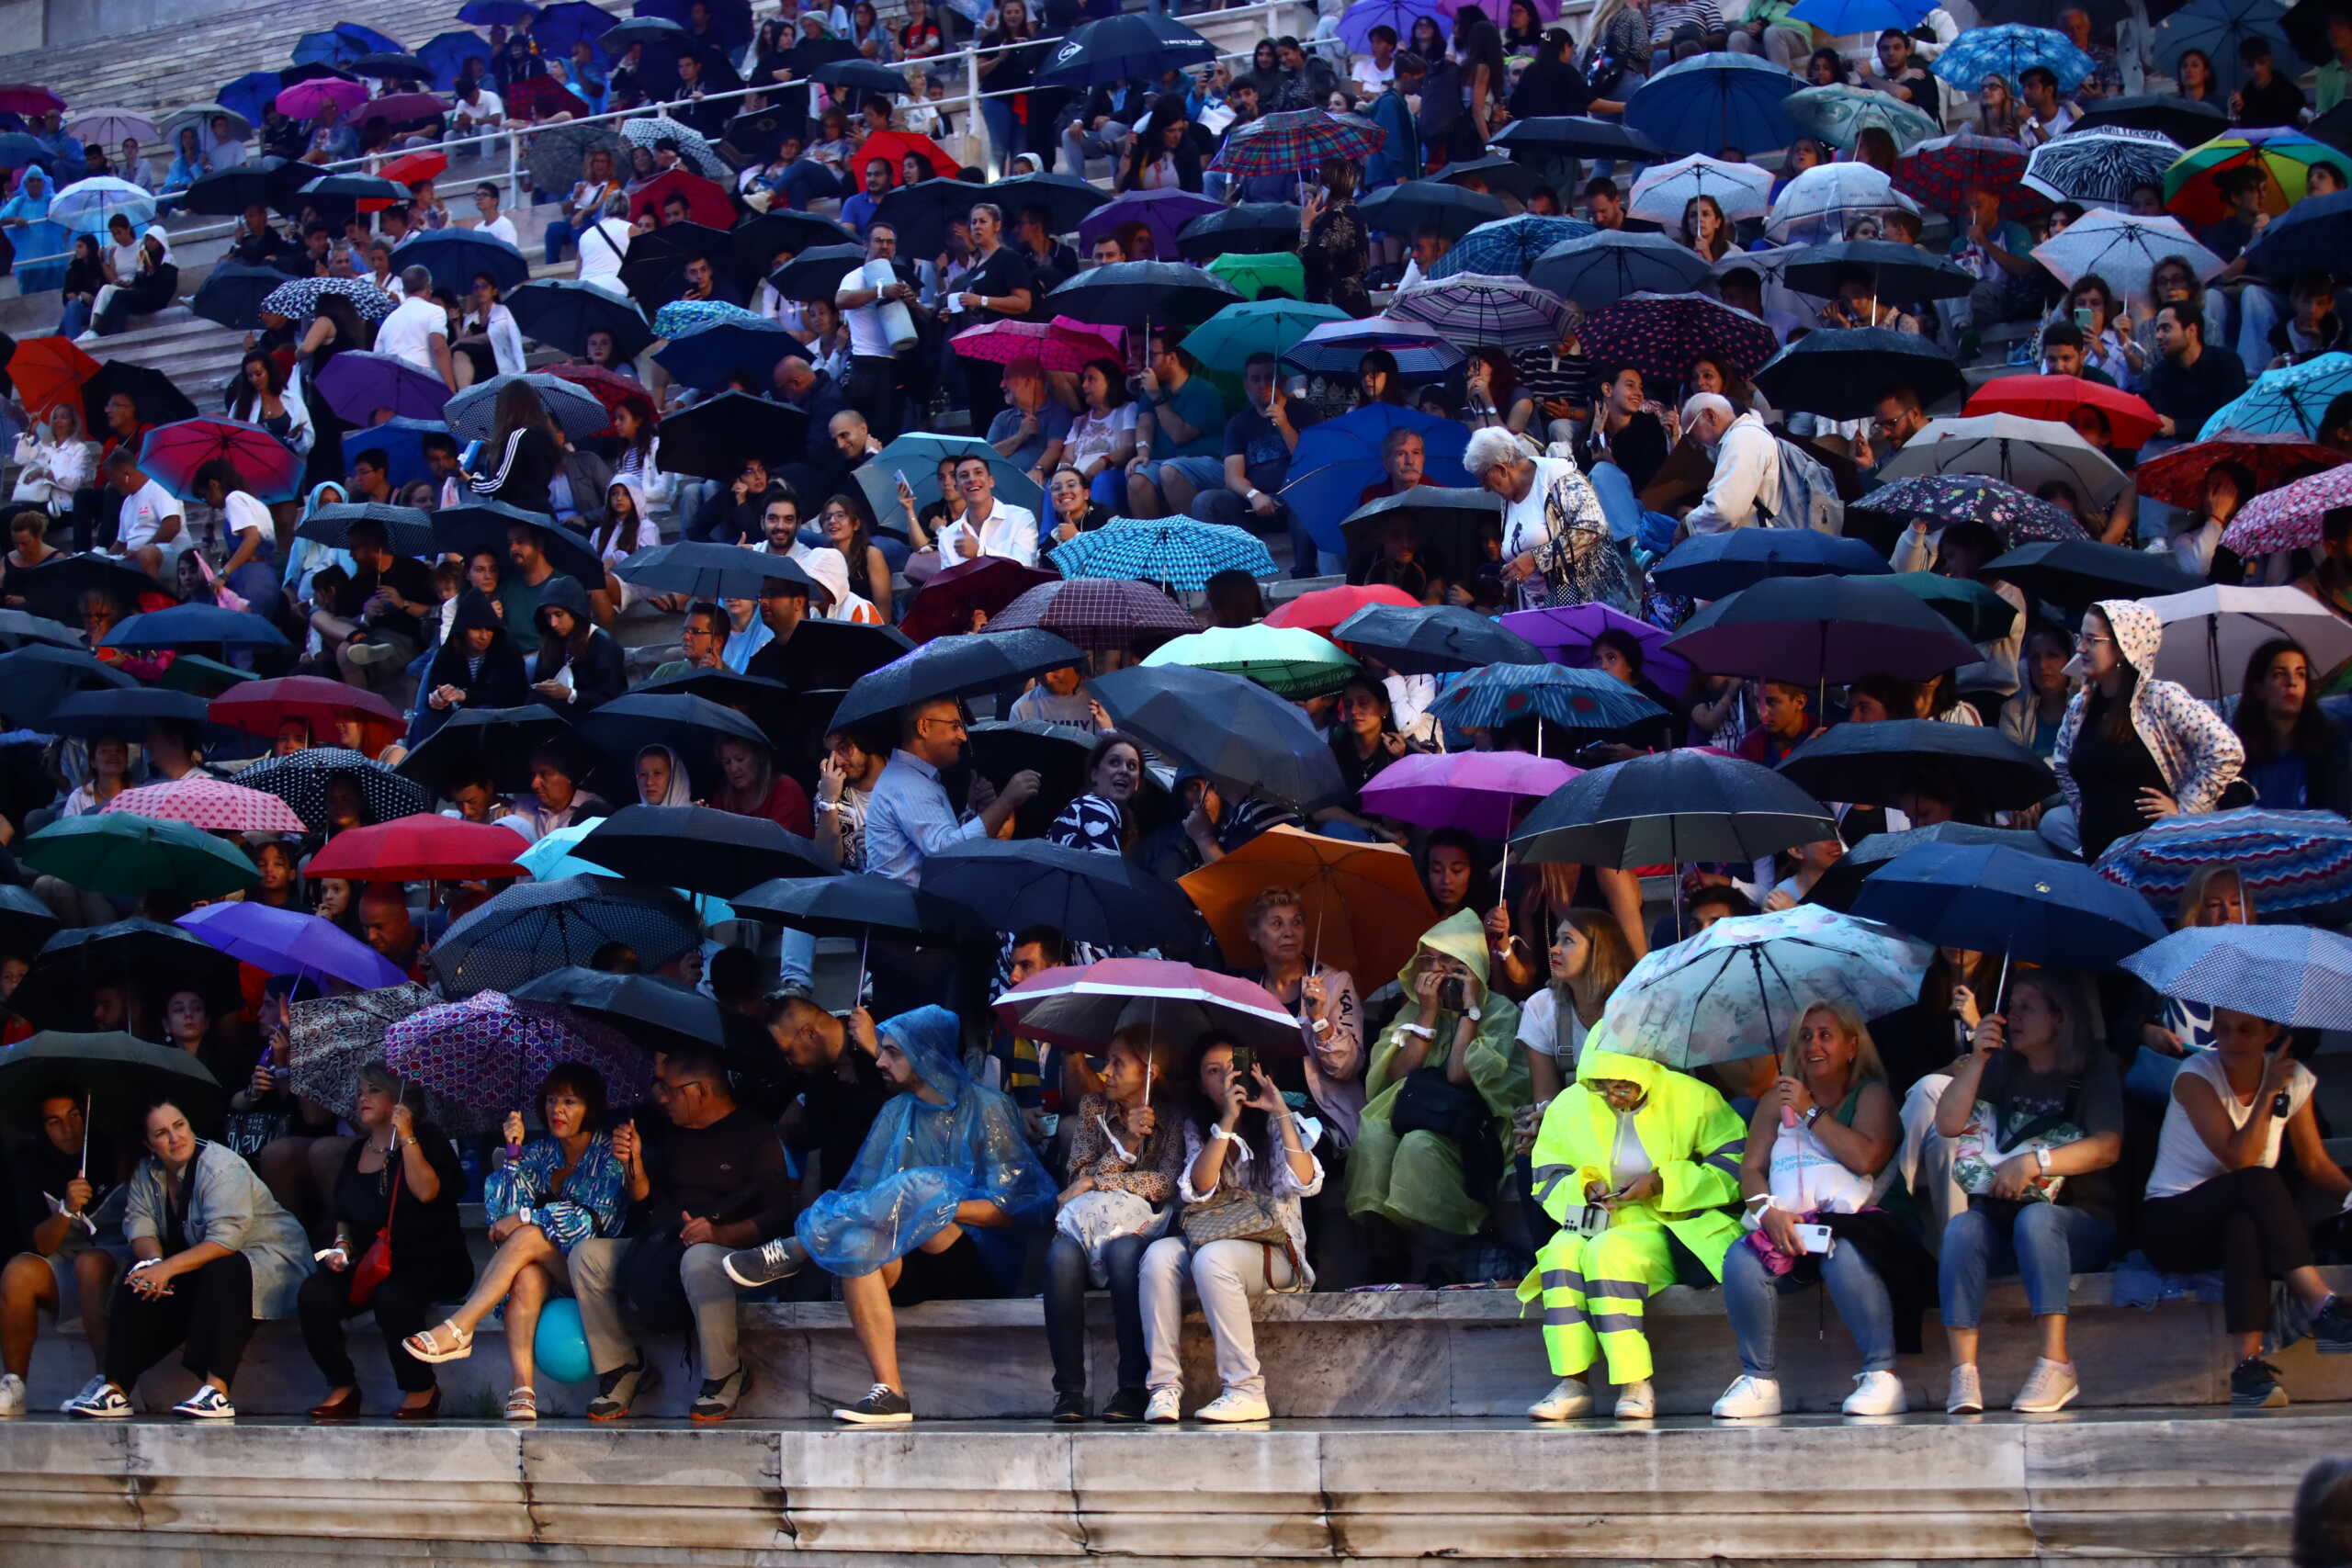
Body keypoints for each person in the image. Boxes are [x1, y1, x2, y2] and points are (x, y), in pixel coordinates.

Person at [721, 1007, 1055, 1425]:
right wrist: (915, 1210)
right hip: (904, 1257)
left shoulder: (989, 1107)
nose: (878, 1060)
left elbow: (1027, 1204)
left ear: (927, 1053)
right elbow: (860, 1194)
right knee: (855, 1241)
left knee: (921, 1187)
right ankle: (890, 1392)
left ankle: (797, 1248)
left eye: (893, 1052)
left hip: (974, 1260)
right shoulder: (896, 1112)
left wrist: (938, 1209)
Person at [2136, 1003, 2352, 1407]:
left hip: (2235, 1216)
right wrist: (2269, 1092)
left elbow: (2315, 1163)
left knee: (2245, 1223)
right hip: (2172, 1221)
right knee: (2257, 1179)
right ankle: (2320, 1303)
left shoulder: (2294, 1078)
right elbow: (2240, 1158)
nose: (2231, 1041)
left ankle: (2248, 1370)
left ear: (2272, 1034)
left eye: (2245, 1031)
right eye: (2223, 1030)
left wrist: (2351, 1196)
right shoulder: (2195, 1076)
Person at [1712, 1000, 1918, 1418]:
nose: (1813, 1045)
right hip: (1789, 1224)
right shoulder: (1774, 1100)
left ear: (1851, 1046)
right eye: (1804, 1036)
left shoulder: (1871, 1093)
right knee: (1740, 1259)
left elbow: (1865, 1158)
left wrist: (1808, 1109)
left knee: (1842, 1257)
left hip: (1858, 1226)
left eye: (1826, 1035)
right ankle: (1759, 1381)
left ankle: (1882, 1374)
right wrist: (1768, 1211)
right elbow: (1750, 1170)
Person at [1933, 970, 2123, 1416]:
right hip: (2000, 1218)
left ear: (2059, 1017)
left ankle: (2056, 1362)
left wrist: (2036, 1164)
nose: (2012, 1017)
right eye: (2011, 1006)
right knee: (1961, 1229)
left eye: (2026, 1008)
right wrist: (1977, 1060)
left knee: (2036, 1220)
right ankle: (1964, 1373)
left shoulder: (2094, 1065)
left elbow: (2108, 1147)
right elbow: (1946, 1124)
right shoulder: (2003, 1065)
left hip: (2079, 1221)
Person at [1521, 1046, 1746, 1421]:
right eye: (1603, 1085)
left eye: (1623, 1085)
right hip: (1596, 1216)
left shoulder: (1693, 1095)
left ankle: (1634, 1384)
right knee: (1559, 1253)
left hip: (1671, 1221)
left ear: (1647, 1072)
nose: (1612, 1094)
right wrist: (1584, 1189)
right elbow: (1547, 1173)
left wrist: (1663, 1182)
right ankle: (1572, 1383)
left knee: (1607, 1253)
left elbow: (1735, 1164)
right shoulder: (1570, 1102)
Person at [570, 1046, 790, 1423]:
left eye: (670, 1089)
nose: (663, 1097)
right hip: (667, 1243)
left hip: (732, 1252)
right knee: (586, 1256)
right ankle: (621, 1366)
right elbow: (646, 1207)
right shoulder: (667, 1132)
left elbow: (779, 1215)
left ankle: (723, 1374)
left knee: (701, 1258)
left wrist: (722, 1232)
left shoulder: (754, 1133)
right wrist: (634, 1166)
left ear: (700, 1090)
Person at [401, 1063, 626, 1421]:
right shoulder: (540, 1153)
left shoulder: (609, 1155)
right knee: (526, 1273)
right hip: (549, 1272)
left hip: (591, 1274)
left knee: (530, 1234)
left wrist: (527, 1218)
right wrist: (514, 1153)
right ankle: (522, 1390)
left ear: (591, 1107)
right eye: (552, 1100)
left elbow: (590, 1223)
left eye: (570, 1101)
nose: (558, 1110)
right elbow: (499, 1218)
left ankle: (461, 1327)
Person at [65, 1099, 312, 1421]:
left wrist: (167, 1268)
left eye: (179, 1126)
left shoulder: (222, 1167)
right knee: (138, 1273)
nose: (175, 1138)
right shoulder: (146, 1172)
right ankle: (116, 1388)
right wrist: (153, 1264)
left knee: (225, 1269)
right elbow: (139, 1226)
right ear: (148, 1143)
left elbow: (226, 1241)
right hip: (205, 1264)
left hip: (271, 1262)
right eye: (162, 1133)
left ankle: (218, 1392)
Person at [1137, 1032, 1324, 1423]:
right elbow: (1198, 1188)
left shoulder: (1275, 1122)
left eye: (1232, 1068)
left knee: (1212, 1258)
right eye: (1212, 1071)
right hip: (1213, 1241)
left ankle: (1245, 1389)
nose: (1225, 1077)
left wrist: (1281, 1114)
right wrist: (1225, 1123)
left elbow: (1305, 1182)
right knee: (1158, 1255)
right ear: (1201, 1084)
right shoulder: (1199, 1127)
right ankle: (1164, 1387)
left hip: (1276, 1252)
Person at [297, 1062, 469, 1421]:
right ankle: (342, 1385)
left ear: (399, 1097)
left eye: (374, 1089)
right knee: (315, 1293)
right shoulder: (356, 1150)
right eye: (361, 1091)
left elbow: (427, 1192)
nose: (363, 1097)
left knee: (392, 1295)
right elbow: (342, 1212)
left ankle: (421, 1387)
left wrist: (406, 1135)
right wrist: (342, 1245)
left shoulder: (428, 1137)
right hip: (371, 1261)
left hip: (429, 1259)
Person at [1347, 911, 1527, 1247]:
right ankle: (1385, 1251)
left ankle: (1442, 1251)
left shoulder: (1500, 1012)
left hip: (1471, 1133)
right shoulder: (1413, 1011)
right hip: (1417, 1116)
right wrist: (1427, 1015)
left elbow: (1460, 1075)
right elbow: (1394, 1078)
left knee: (1419, 1146)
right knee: (1372, 1137)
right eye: (1430, 959)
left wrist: (1469, 1012)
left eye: (1449, 960)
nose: (1436, 970)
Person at [2053, 600, 2245, 862]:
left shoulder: (2161, 699)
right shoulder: (2080, 706)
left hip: (2156, 858)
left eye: (2092, 640)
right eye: (2080, 637)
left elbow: (2226, 750)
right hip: (2099, 856)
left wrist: (2186, 810)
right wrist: (2083, 812)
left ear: (2124, 647)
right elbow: (2063, 765)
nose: (2081, 648)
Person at [0, 1089, 126, 1416]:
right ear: (43, 1128)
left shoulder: (113, 1148)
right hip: (66, 1261)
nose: (68, 1129)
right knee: (18, 1272)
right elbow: (41, 1245)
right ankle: (14, 1385)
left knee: (90, 1263)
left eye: (74, 1116)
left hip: (118, 1261)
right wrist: (67, 1210)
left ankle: (106, 1383)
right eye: (55, 1122)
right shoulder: (30, 1162)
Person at [866, 697, 1040, 886]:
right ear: (923, 727)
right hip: (907, 909)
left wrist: (972, 809)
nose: (963, 736)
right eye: (955, 726)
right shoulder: (907, 783)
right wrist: (1006, 802)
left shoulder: (914, 777)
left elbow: (942, 839)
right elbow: (947, 853)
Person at [1240, 887, 1365, 1147]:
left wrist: (1319, 1019)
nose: (1289, 932)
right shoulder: (1244, 990)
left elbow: (1348, 1067)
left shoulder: (1335, 983)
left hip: (1320, 1113)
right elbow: (1240, 1063)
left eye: (1296, 922)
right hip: (1261, 1109)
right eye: (1277, 923)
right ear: (1254, 934)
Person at [1464, 427, 1634, 613]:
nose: (1485, 488)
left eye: (1484, 479)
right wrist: (1511, 582)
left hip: (1584, 606)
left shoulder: (1559, 476)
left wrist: (1536, 558)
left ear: (1501, 469)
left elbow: (1592, 528)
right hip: (1539, 613)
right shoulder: (1508, 498)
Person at [1515, 908, 1633, 1105]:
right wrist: (1542, 1117)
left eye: (1567, 940)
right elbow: (1545, 1097)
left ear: (1599, 951)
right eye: (1556, 939)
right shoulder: (1540, 1006)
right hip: (1570, 1125)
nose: (1554, 949)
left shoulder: (1637, 1006)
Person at [2233, 638, 2352, 813]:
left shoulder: (2330, 743)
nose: (2292, 682)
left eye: (2300, 674)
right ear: (2258, 689)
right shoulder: (2237, 753)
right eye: (2279, 674)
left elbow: (2340, 812)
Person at [1127, 330, 1227, 520]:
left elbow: (1180, 434)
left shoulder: (1204, 391)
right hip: (1164, 462)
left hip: (1206, 462)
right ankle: (1152, 544)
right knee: (1137, 477)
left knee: (1171, 470)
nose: (1146, 361)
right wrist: (1142, 453)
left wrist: (1157, 397)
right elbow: (1144, 423)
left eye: (1152, 355)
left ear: (1171, 358)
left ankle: (1193, 539)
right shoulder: (1153, 389)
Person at [1679, 392, 1781, 533]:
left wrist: (1687, 525)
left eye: (1690, 434)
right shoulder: (1743, 436)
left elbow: (1725, 510)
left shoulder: (1743, 437)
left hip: (1759, 542)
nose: (1694, 444)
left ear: (1710, 416)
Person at [527, 577, 627, 709]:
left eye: (559, 614)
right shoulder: (553, 642)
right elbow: (539, 681)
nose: (553, 623)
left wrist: (570, 694)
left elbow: (612, 698)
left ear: (575, 612)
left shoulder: (603, 645)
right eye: (548, 616)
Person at [709, 735, 815, 835]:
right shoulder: (725, 795)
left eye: (740, 759)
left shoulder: (785, 788)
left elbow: (774, 843)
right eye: (727, 762)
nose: (733, 769)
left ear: (758, 757)